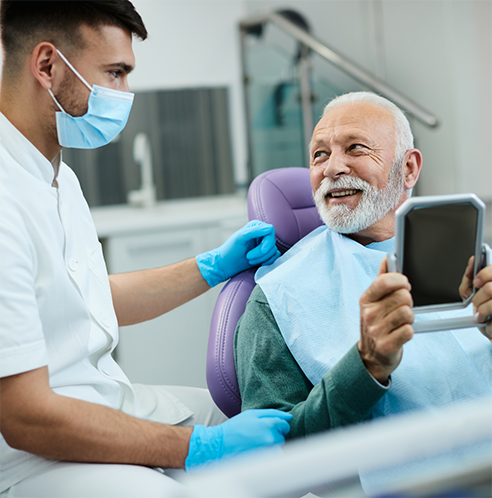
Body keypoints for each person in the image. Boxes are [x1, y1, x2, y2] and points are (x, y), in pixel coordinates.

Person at [0, 1, 293, 497]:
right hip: (34, 457)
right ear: (47, 66)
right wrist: (196, 448)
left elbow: (87, 299)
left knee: (283, 445)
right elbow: (26, 417)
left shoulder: (57, 177)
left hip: (104, 402)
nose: (125, 94)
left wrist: (214, 267)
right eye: (115, 73)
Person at [235, 91, 492, 443]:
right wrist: (366, 366)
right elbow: (271, 451)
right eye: (319, 154)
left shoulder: (476, 262)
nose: (332, 168)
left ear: (409, 168)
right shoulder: (277, 297)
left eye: (355, 148)